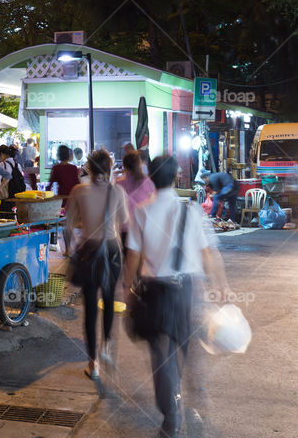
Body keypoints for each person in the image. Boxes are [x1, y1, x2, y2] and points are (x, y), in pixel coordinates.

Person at [125, 156, 232, 436]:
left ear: (150, 179)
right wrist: (221, 284)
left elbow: (133, 257)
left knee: (162, 355)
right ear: (175, 178)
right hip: (187, 291)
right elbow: (208, 252)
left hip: (154, 292)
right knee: (182, 350)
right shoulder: (193, 211)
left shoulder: (140, 211)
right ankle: (183, 398)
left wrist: (127, 289)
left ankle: (171, 414)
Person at [64, 149, 128, 381]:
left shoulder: (79, 191)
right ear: (109, 168)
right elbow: (123, 223)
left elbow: (68, 225)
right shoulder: (117, 191)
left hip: (88, 252)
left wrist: (68, 248)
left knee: (90, 308)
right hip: (111, 251)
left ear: (88, 169)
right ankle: (107, 346)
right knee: (109, 300)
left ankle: (93, 364)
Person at [116, 151, 156, 250]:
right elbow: (153, 205)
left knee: (127, 262)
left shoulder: (118, 184)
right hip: (143, 228)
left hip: (124, 229)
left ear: (124, 166)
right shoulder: (147, 182)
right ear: (139, 164)